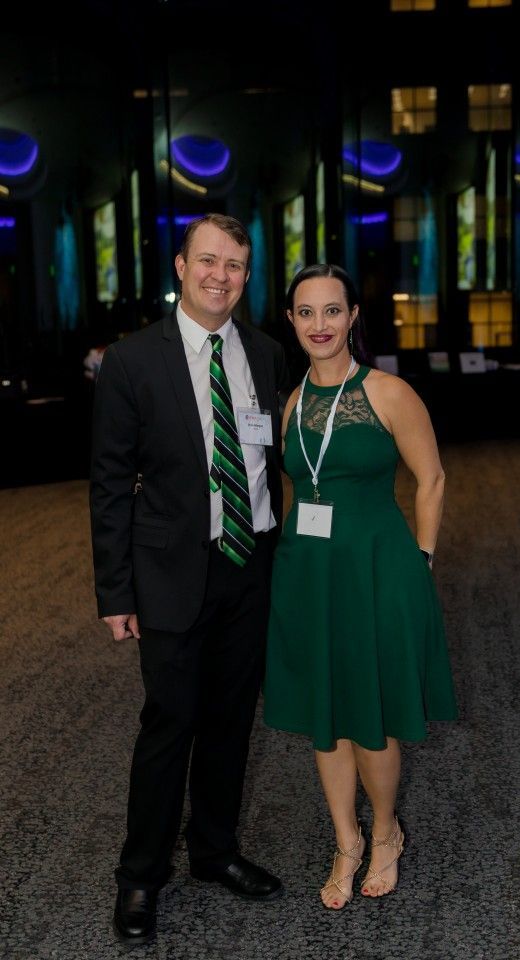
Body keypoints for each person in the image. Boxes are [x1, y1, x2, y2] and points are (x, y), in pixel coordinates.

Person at [89, 213, 289, 946]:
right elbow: (110, 482)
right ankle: (139, 876)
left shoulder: (265, 354)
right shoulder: (133, 360)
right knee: (168, 725)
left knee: (231, 723)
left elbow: (272, 461)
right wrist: (115, 592)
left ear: (245, 274)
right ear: (180, 266)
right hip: (169, 574)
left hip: (248, 564)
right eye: (207, 261)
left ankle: (214, 853)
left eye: (234, 265)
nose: (220, 276)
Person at [262, 263, 457, 910]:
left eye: (331, 311)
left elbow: (429, 480)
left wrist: (421, 560)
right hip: (309, 577)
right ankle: (345, 840)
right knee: (326, 717)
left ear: (351, 318)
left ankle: (385, 833)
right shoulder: (289, 403)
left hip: (377, 574)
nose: (319, 325)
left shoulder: (386, 393)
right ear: (291, 321)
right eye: (305, 312)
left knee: (371, 717)